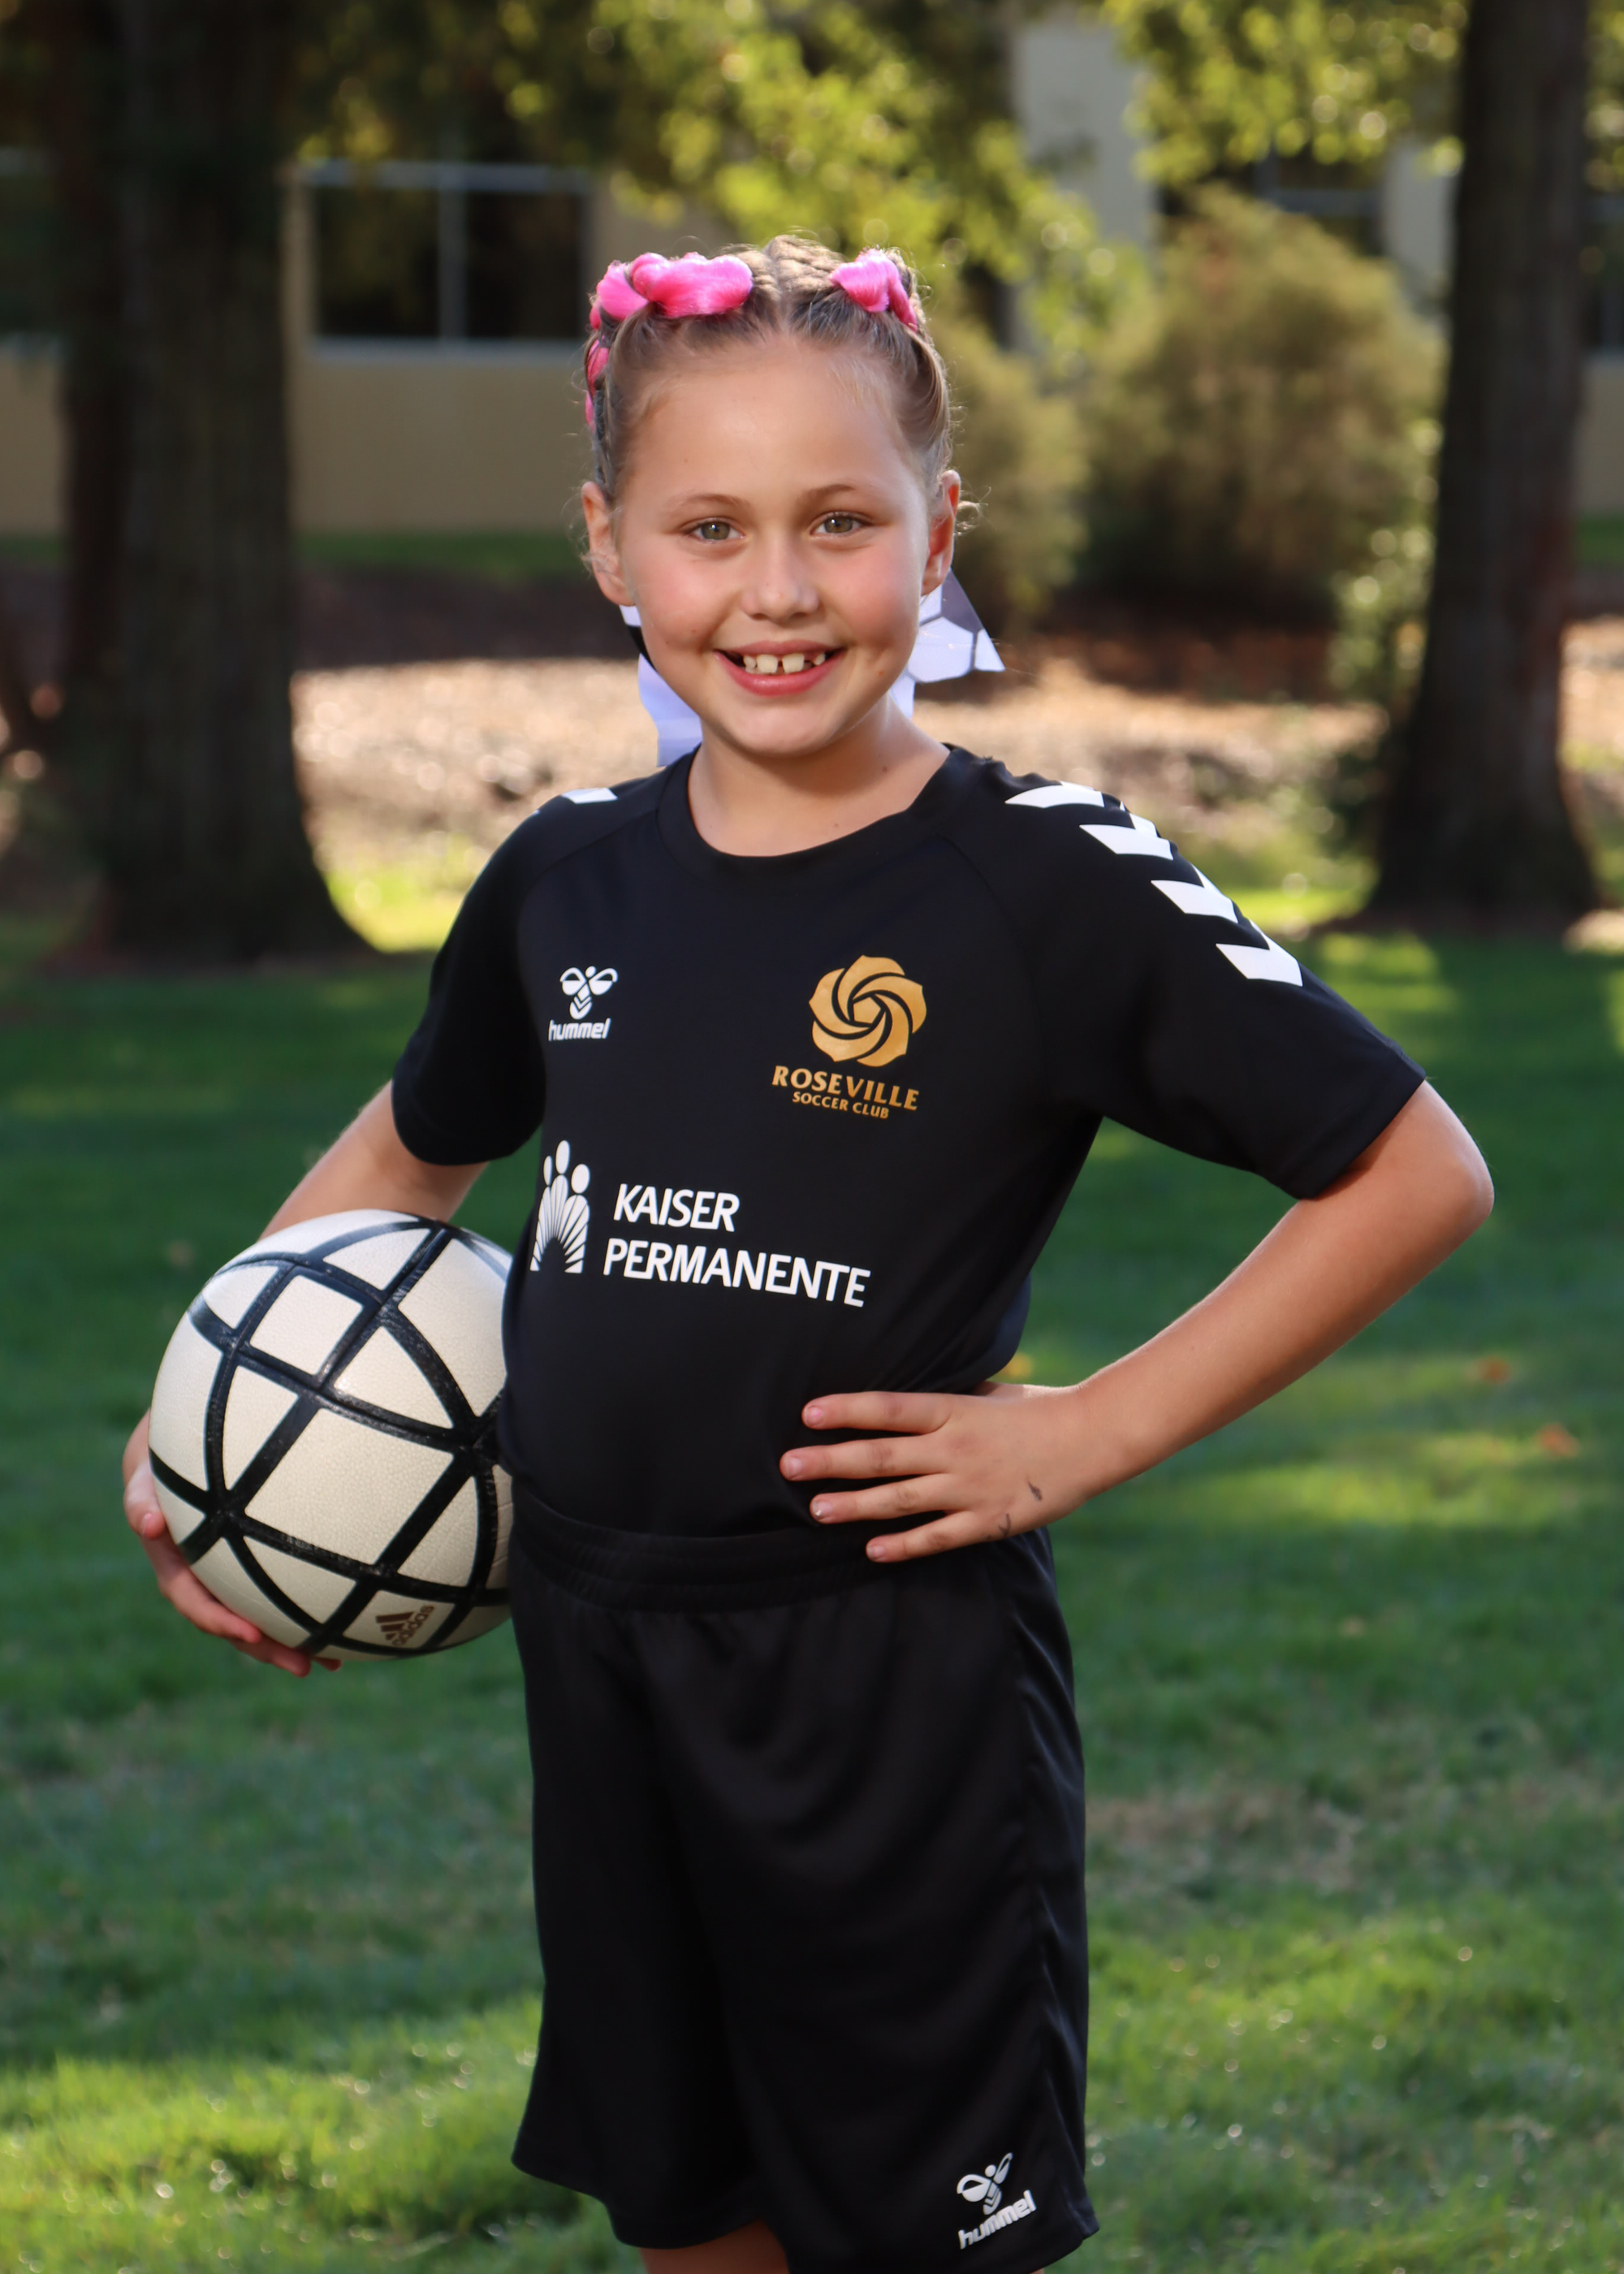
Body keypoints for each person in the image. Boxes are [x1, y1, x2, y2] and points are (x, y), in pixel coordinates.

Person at [122, 236, 1492, 2274]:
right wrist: (215, 1423)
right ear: (611, 548)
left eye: (840, 523)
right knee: (692, 2218)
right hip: (598, 1657)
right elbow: (406, 1159)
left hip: (887, 1689)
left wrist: (1084, 1429)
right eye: (710, 528)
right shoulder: (563, 876)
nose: (776, 589)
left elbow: (1412, 1167)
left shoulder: (1041, 880)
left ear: (937, 537)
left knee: (922, 2245)